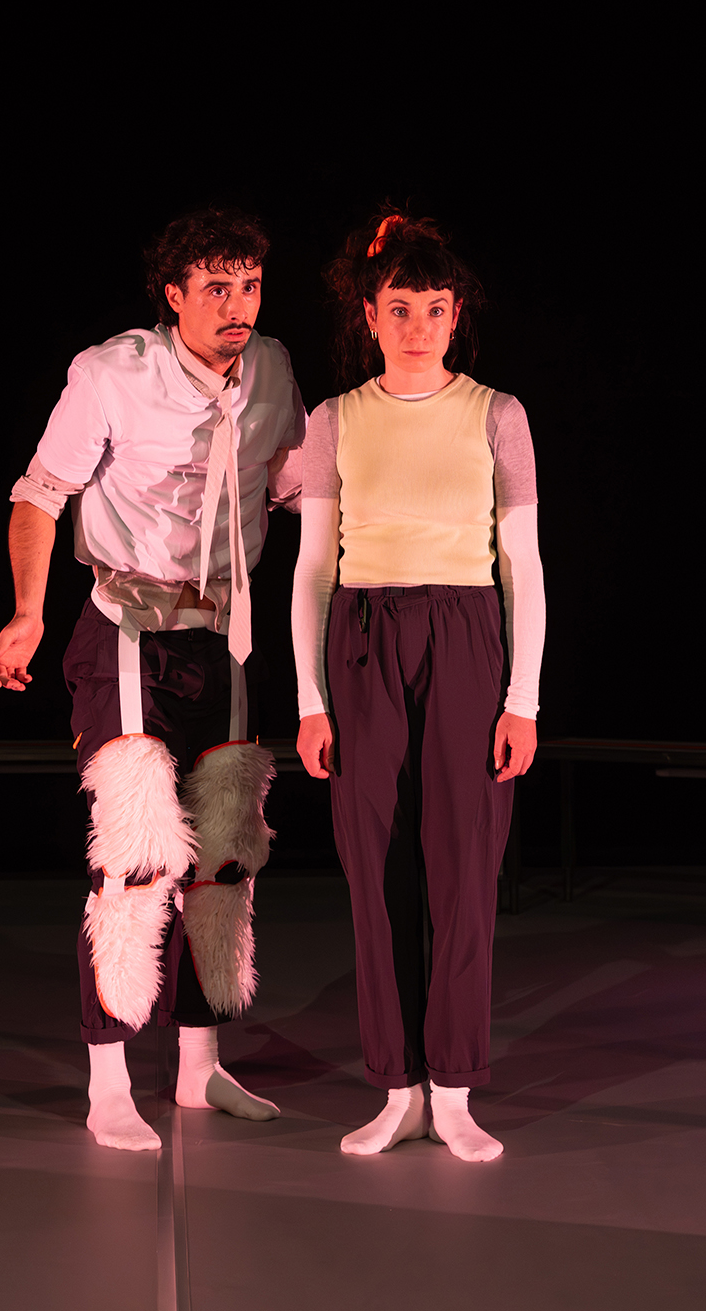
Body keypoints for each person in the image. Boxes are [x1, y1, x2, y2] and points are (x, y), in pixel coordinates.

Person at [0, 208, 307, 1151]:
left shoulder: (273, 368)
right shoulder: (112, 373)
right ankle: (109, 1080)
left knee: (225, 852)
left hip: (225, 632)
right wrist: (29, 613)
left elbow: (293, 484)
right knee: (131, 858)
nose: (238, 306)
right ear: (173, 295)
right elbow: (40, 494)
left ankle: (200, 1068)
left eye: (250, 286)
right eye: (216, 288)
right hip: (128, 627)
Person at [278, 210, 546, 1162]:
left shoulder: (498, 414)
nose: (418, 326)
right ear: (369, 314)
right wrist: (310, 700)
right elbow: (313, 568)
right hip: (363, 640)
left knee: (465, 868)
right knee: (376, 867)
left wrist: (524, 698)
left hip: (467, 636)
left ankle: (457, 1089)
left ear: (456, 312)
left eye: (434, 308)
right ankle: (396, 1087)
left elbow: (523, 566)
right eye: (400, 308)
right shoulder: (333, 420)